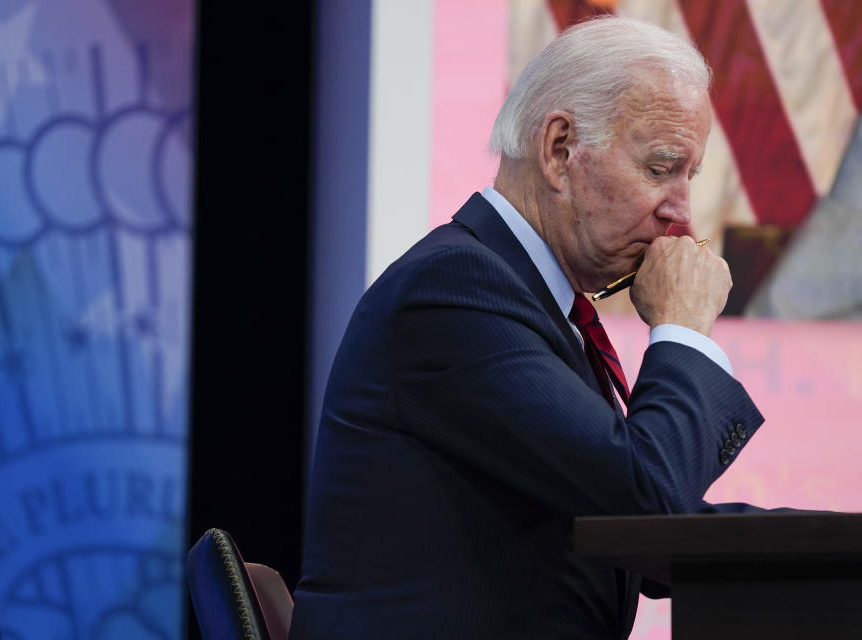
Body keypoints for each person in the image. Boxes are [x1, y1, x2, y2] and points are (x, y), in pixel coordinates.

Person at [290, 16, 766, 640]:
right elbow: (645, 502)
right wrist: (682, 330)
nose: (681, 209)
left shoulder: (517, 295)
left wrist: (828, 542)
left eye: (688, 175)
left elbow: (623, 495)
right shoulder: (454, 292)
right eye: (659, 168)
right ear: (560, 149)